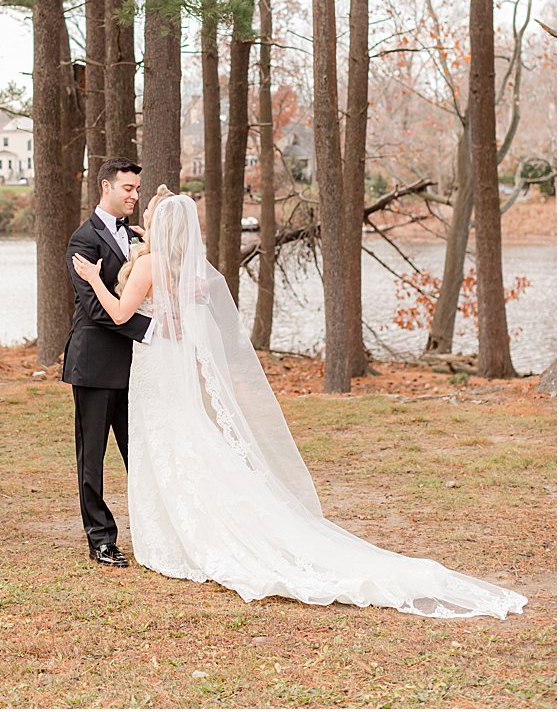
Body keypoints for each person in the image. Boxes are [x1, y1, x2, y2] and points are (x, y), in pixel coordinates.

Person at [72, 193, 526, 618]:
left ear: (163, 225)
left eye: (151, 214)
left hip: (156, 371)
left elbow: (118, 313)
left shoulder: (151, 264)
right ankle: (174, 528)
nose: (144, 216)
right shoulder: (182, 270)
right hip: (163, 369)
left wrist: (94, 279)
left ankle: (180, 536)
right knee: (178, 444)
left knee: (170, 446)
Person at [63, 158, 151, 568]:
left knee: (143, 452)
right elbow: (96, 309)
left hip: (136, 367)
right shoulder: (83, 241)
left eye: (137, 189)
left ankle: (154, 530)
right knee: (93, 456)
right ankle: (101, 539)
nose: (134, 195)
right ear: (106, 187)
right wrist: (150, 331)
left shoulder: (136, 237)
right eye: (128, 188)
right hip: (95, 364)